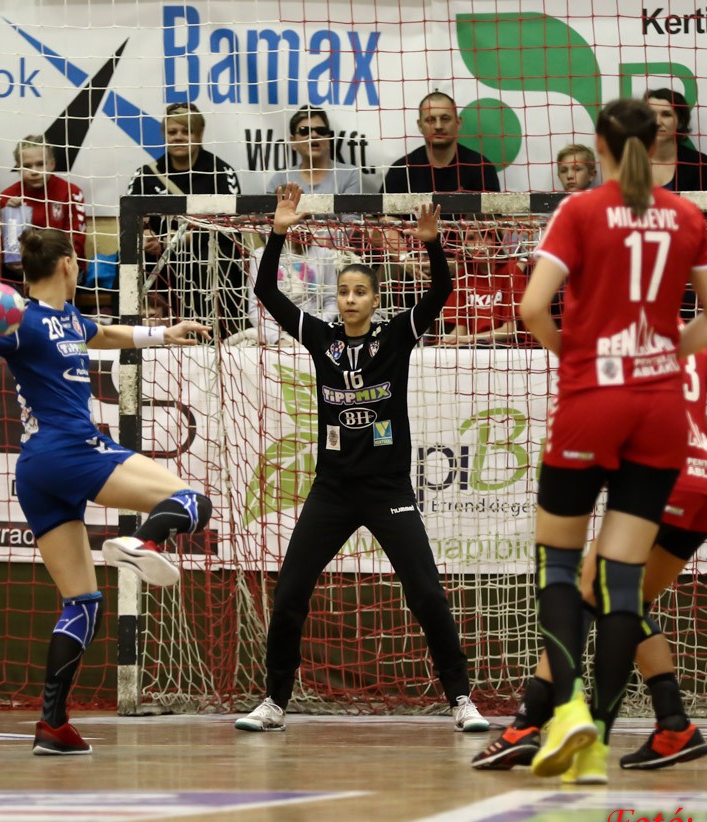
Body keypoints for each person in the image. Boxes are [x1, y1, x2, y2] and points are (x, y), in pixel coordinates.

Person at [512, 98, 707, 781]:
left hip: (594, 398)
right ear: (658, 143)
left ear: (600, 146)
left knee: (560, 569)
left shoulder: (580, 210)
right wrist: (665, 357)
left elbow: (531, 307)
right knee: (620, 584)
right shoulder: (688, 215)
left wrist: (575, 356)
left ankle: (567, 711)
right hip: (661, 407)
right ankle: (597, 745)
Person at [0, 227, 213, 755]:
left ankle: (52, 725)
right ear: (68, 263)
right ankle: (142, 542)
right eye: (79, 258)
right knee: (191, 502)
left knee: (82, 602)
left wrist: (164, 334)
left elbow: (105, 335)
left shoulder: (68, 318)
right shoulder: (18, 318)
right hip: (71, 450)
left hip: (37, 472)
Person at [234, 184, 488, 734]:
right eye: (344, 291)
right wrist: (277, 234)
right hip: (332, 489)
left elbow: (441, 290)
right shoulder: (320, 338)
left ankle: (461, 698)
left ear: (375, 300)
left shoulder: (395, 338)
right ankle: (274, 700)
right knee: (290, 592)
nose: (350, 299)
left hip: (387, 489)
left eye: (360, 292)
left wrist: (431, 243)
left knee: (426, 592)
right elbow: (266, 290)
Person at [471, 345, 707, 778]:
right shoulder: (693, 340)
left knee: (584, 596)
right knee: (628, 603)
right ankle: (674, 725)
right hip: (705, 488)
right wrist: (692, 435)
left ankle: (525, 726)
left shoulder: (627, 341)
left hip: (664, 483)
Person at [126, 103, 245, 336]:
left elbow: (230, 229)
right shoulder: (146, 175)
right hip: (158, 256)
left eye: (186, 131)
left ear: (199, 134)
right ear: (164, 135)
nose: (179, 137)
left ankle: (208, 336)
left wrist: (181, 239)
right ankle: (128, 335)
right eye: (172, 132)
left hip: (204, 253)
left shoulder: (221, 173)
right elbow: (131, 221)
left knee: (210, 258)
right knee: (127, 258)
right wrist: (145, 235)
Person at [227, 231, 357, 346]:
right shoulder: (259, 255)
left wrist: (314, 328)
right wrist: (277, 338)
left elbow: (332, 301)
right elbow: (255, 308)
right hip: (272, 334)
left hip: (314, 330)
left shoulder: (323, 254)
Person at [0, 135, 87, 278]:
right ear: (18, 167)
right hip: (23, 271)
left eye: (40, 164)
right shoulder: (7, 198)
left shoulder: (71, 193)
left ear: (52, 164)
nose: (34, 171)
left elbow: (76, 245)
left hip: (63, 270)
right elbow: (10, 255)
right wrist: (12, 218)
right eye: (27, 166)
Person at [383, 92, 500, 193]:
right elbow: (384, 212)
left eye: (445, 119)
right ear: (420, 126)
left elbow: (491, 212)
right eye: (431, 120)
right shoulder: (401, 170)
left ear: (458, 123)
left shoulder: (481, 168)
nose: (438, 126)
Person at [435, 224, 528, 347]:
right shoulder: (463, 275)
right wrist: (447, 342)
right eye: (471, 238)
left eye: (484, 237)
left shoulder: (511, 272)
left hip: (508, 346)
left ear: (496, 240)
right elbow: (461, 329)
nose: (478, 244)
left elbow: (510, 330)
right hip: (475, 346)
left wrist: (469, 339)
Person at [265, 106, 363, 195]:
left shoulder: (349, 175)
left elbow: (351, 210)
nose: (314, 135)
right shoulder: (280, 179)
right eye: (304, 131)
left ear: (329, 138)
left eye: (321, 131)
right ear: (293, 141)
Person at [645, 89, 707, 193]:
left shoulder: (700, 165)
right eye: (651, 114)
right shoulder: (626, 161)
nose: (657, 122)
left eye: (666, 115)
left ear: (681, 122)